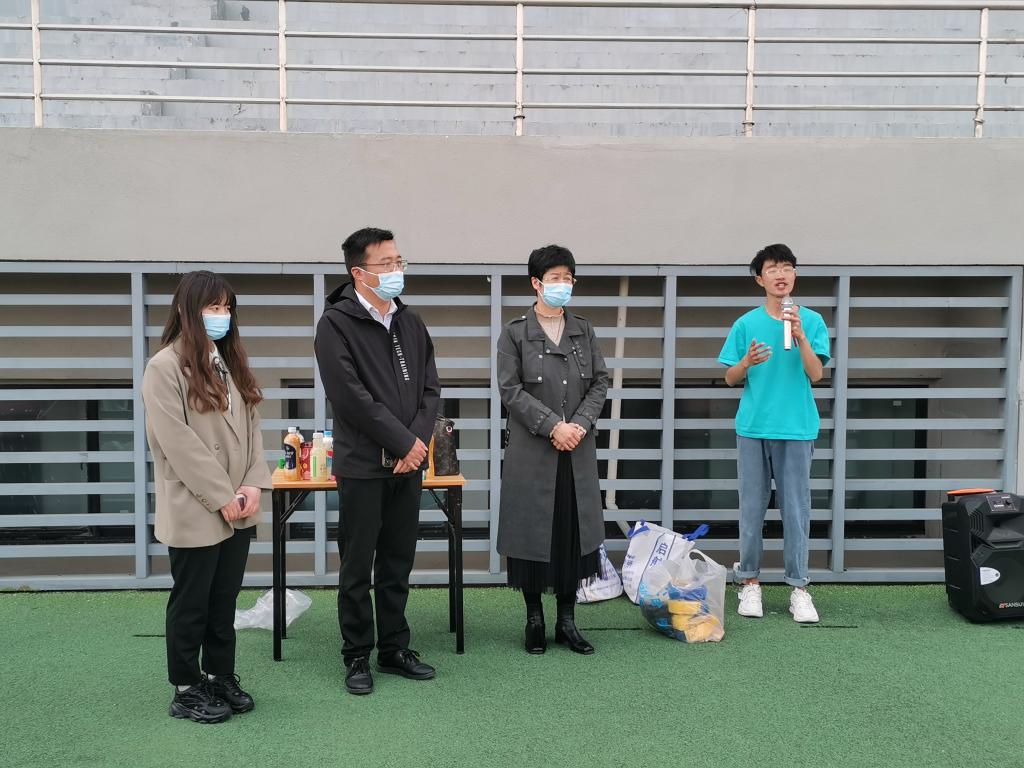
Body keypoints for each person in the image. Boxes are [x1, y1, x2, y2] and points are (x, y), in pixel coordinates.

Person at [314, 227, 440, 695]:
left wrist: (416, 444)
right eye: (386, 264)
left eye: (399, 261)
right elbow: (350, 397)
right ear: (358, 272)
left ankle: (394, 648)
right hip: (363, 466)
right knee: (357, 565)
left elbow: (430, 388)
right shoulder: (336, 324)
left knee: (397, 561)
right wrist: (403, 443)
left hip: (409, 464)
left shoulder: (410, 321)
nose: (396, 270)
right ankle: (356, 655)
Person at [142, 270, 272, 723]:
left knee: (224, 598)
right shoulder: (163, 367)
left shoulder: (227, 361)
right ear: (186, 311)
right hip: (196, 504)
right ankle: (185, 687)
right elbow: (177, 442)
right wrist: (221, 495)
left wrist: (253, 483)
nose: (222, 315)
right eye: (212, 307)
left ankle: (219, 675)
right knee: (192, 600)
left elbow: (252, 428)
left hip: (238, 502)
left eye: (227, 307)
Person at [496, 245, 610, 655]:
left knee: (571, 531)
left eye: (568, 278)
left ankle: (567, 620)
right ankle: (534, 619)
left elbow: (600, 381)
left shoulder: (583, 329)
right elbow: (510, 390)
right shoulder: (514, 332)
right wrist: (552, 426)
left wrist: (578, 425)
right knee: (531, 531)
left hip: (576, 448)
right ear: (536, 283)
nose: (563, 284)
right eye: (555, 278)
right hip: (533, 450)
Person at [718, 244, 831, 623]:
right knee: (752, 508)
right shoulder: (745, 324)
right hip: (753, 427)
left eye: (786, 267)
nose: (780, 274)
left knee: (796, 510)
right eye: (772, 268)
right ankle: (749, 582)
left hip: (797, 428)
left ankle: (799, 587)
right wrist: (746, 362)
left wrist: (800, 336)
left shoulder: (811, 320)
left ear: (794, 274)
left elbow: (816, 374)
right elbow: (729, 378)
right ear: (759, 278)